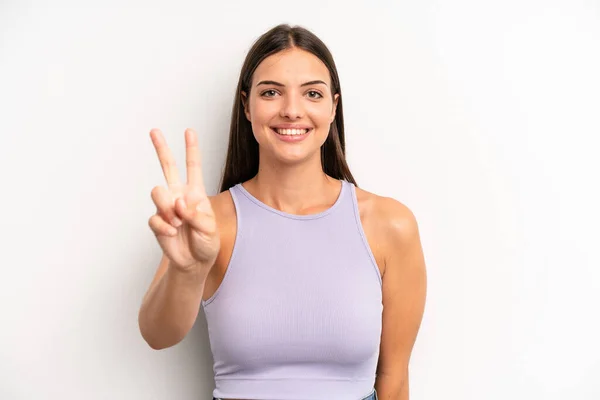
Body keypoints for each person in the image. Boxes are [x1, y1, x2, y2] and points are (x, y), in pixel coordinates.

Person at [138, 24, 427, 400]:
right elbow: (158, 336)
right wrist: (187, 270)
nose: (292, 111)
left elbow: (394, 377)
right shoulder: (208, 222)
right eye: (271, 92)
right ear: (246, 105)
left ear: (333, 106)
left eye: (312, 93)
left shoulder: (390, 224)